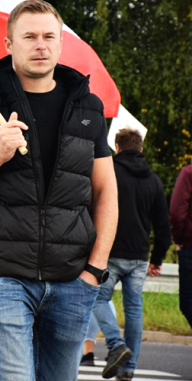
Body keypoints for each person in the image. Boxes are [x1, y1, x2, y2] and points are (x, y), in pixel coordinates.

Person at [0, 0, 119, 381]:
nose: (40, 45)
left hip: (73, 278)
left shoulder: (88, 107)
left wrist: (94, 271)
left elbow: (106, 193)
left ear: (61, 43)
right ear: (9, 44)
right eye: (29, 36)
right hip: (2, 276)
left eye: (49, 36)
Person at [92, 128, 171, 380]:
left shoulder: (110, 172)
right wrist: (157, 258)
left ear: (117, 147)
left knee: (97, 298)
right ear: (141, 148)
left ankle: (116, 344)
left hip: (110, 250)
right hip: (138, 255)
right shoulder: (154, 181)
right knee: (134, 308)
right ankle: (128, 369)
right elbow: (163, 227)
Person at [170, 164, 192, 329]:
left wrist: (178, 239)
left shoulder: (188, 173)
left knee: (188, 302)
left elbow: (177, 212)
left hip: (190, 246)